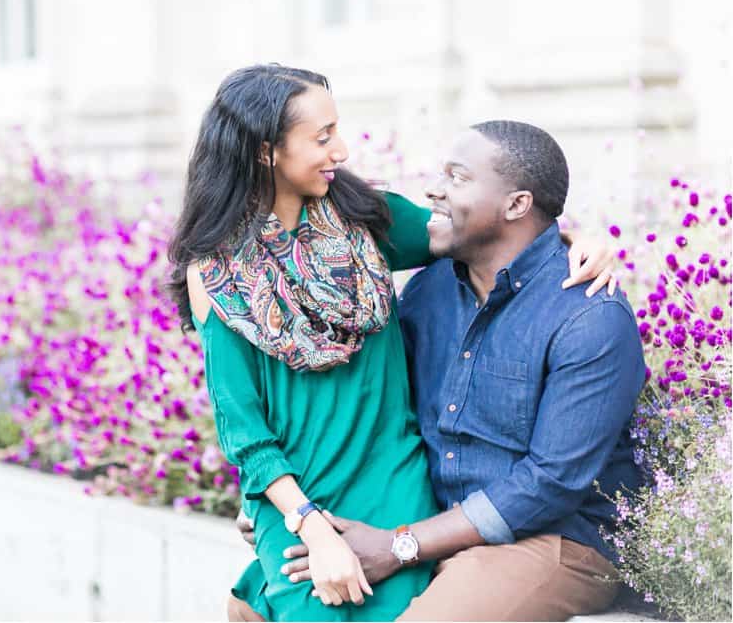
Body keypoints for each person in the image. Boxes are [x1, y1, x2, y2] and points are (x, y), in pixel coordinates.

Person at [168, 65, 616, 622]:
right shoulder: (215, 272)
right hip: (301, 500)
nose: (342, 149)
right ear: (266, 152)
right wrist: (302, 517)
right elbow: (243, 430)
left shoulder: (365, 222)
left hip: (394, 482)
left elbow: (488, 227)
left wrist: (576, 236)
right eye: (323, 136)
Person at [256, 121, 646, 621]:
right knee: (256, 607)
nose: (433, 190)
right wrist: (292, 510)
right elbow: (373, 411)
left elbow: (550, 483)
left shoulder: (589, 316)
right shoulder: (429, 291)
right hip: (432, 524)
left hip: (556, 540)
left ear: (516, 205)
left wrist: (400, 546)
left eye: (457, 178)